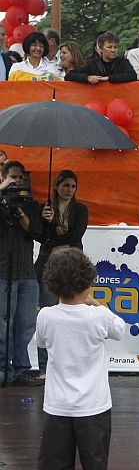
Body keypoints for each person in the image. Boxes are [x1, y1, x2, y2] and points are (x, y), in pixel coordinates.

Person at [36, 249, 126, 470]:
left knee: (58, 464)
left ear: (52, 283)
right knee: (95, 462)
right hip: (93, 405)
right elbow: (120, 330)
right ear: (88, 281)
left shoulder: (47, 316)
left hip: (58, 405)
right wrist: (94, 303)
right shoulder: (98, 316)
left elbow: (41, 341)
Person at [35, 170, 89, 378]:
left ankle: (70, 366)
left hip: (72, 265)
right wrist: (47, 222)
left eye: (73, 186)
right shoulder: (45, 208)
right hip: (49, 265)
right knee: (48, 314)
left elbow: (76, 235)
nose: (69, 190)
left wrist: (52, 240)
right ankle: (44, 367)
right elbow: (40, 237)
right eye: (65, 185)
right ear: (56, 186)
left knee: (73, 315)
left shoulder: (80, 209)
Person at [0, 160, 43, 387]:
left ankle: (20, 370)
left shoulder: (30, 205)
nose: (18, 181)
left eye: (20, 178)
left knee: (25, 324)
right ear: (4, 177)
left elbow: (35, 231)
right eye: (13, 177)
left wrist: (17, 208)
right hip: (3, 272)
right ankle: (1, 370)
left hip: (27, 272)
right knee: (2, 324)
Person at [65, 32, 137, 84]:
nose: (113, 50)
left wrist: (109, 78)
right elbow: (69, 75)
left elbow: (132, 75)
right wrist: (87, 77)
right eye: (109, 47)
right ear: (101, 49)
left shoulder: (123, 62)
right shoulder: (93, 64)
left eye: (115, 47)